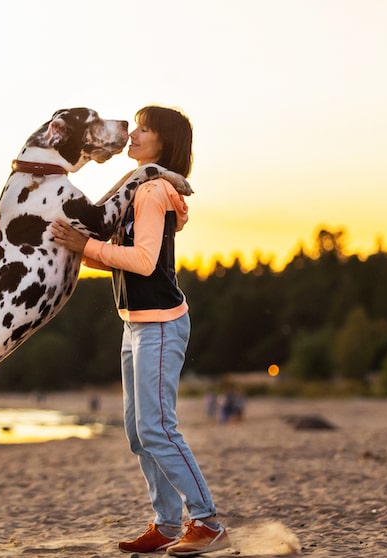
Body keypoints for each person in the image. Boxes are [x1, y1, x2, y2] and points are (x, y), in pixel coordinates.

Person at [51, 106, 230, 556]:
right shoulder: (137, 192)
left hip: (161, 325)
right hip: (134, 325)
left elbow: (145, 262)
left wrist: (86, 245)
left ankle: (207, 522)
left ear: (163, 144)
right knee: (137, 431)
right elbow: (114, 257)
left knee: (158, 428)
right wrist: (76, 250)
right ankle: (168, 525)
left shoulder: (151, 192)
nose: (132, 133)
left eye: (144, 128)